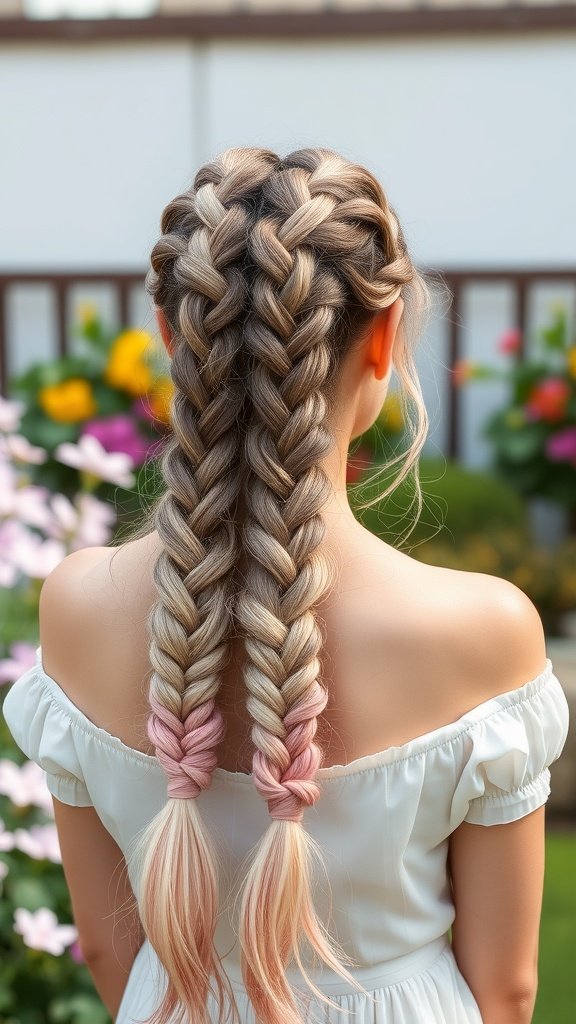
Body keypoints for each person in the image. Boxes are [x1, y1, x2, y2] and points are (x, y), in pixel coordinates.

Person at [3, 146, 569, 1024]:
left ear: (171, 340)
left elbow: (111, 948)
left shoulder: (78, 607)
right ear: (383, 337)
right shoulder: (484, 632)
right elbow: (507, 988)